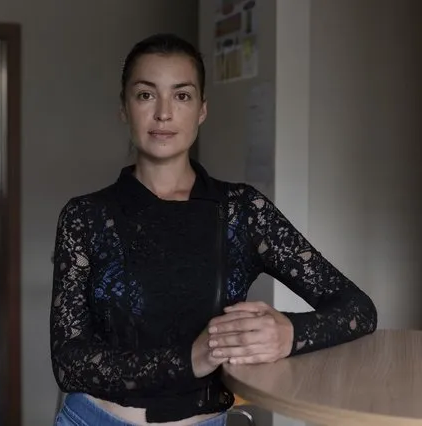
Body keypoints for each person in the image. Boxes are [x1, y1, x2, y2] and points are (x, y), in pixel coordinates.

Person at [50, 33, 377, 426]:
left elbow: (358, 309)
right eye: (145, 95)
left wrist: (288, 331)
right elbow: (70, 363)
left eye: (182, 96)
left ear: (202, 110)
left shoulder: (242, 211)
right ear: (124, 107)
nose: (164, 113)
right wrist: (192, 357)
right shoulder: (85, 217)